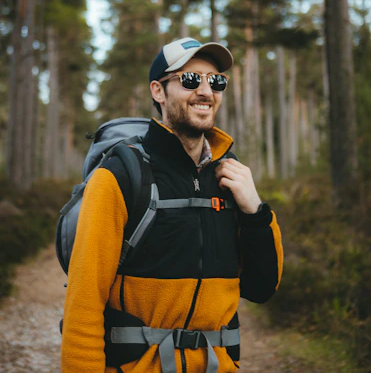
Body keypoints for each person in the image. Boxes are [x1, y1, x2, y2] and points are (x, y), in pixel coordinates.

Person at [61, 37, 284, 373]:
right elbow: (84, 303)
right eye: (191, 79)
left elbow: (262, 287)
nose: (207, 92)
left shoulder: (231, 177)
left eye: (216, 81)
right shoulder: (120, 176)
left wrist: (256, 211)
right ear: (158, 91)